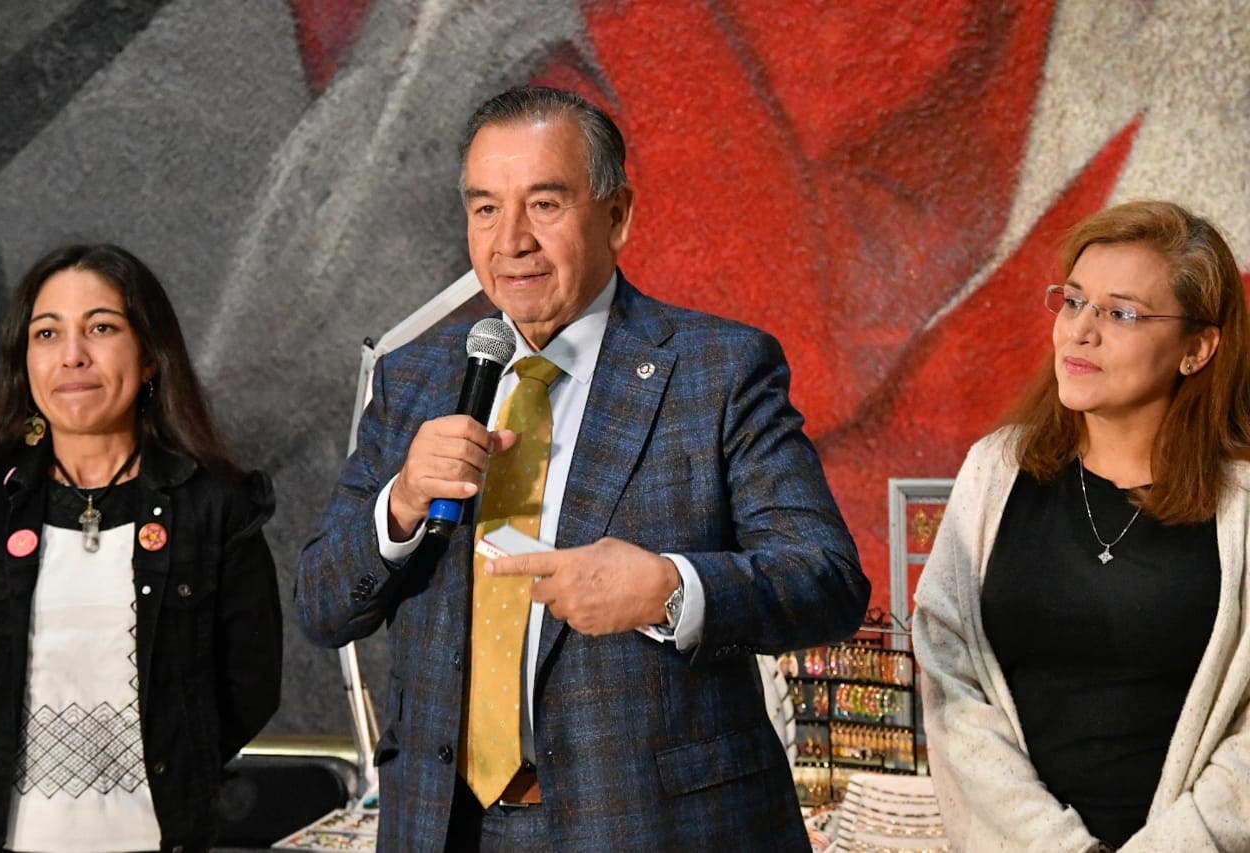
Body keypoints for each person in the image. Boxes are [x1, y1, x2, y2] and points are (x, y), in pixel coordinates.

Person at [296, 85, 869, 850]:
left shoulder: (720, 370)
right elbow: (322, 606)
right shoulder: (414, 378)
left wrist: (668, 588)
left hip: (654, 829)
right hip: (445, 828)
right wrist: (399, 504)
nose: (511, 241)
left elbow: (826, 580)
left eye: (545, 204)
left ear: (617, 215)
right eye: (486, 208)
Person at [913, 200, 1250, 851]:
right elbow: (950, 674)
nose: (1080, 332)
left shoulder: (1242, 508)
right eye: (1073, 302)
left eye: (1121, 313)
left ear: (1197, 348)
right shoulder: (995, 472)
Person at [0, 244, 283, 852]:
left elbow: (251, 685)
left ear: (149, 358)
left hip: (160, 838)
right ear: (23, 361)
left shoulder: (213, 504)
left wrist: (181, 765)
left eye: (102, 328)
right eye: (47, 333)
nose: (72, 355)